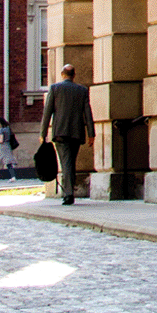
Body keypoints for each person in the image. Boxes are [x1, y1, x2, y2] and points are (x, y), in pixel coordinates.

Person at [39, 63, 93, 206]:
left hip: (60, 132)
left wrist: (43, 133)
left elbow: (47, 112)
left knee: (66, 163)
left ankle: (68, 194)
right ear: (74, 75)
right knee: (70, 162)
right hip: (76, 132)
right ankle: (69, 191)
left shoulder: (55, 88)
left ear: (62, 74)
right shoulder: (82, 90)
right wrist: (91, 134)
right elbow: (87, 112)